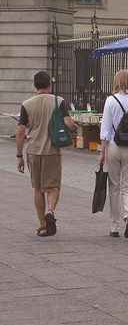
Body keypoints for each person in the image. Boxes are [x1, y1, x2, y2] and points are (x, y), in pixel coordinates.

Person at [15, 71, 74, 237]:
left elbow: (20, 132)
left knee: (38, 188)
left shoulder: (26, 104)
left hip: (33, 150)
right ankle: (51, 211)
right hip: (52, 150)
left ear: (35, 86)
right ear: (50, 84)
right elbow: (68, 123)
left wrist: (19, 156)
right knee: (53, 186)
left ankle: (43, 225)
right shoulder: (59, 101)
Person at [99, 70, 128, 239]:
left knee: (114, 186)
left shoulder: (110, 100)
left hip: (114, 145)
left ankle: (114, 226)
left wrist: (102, 152)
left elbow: (105, 129)